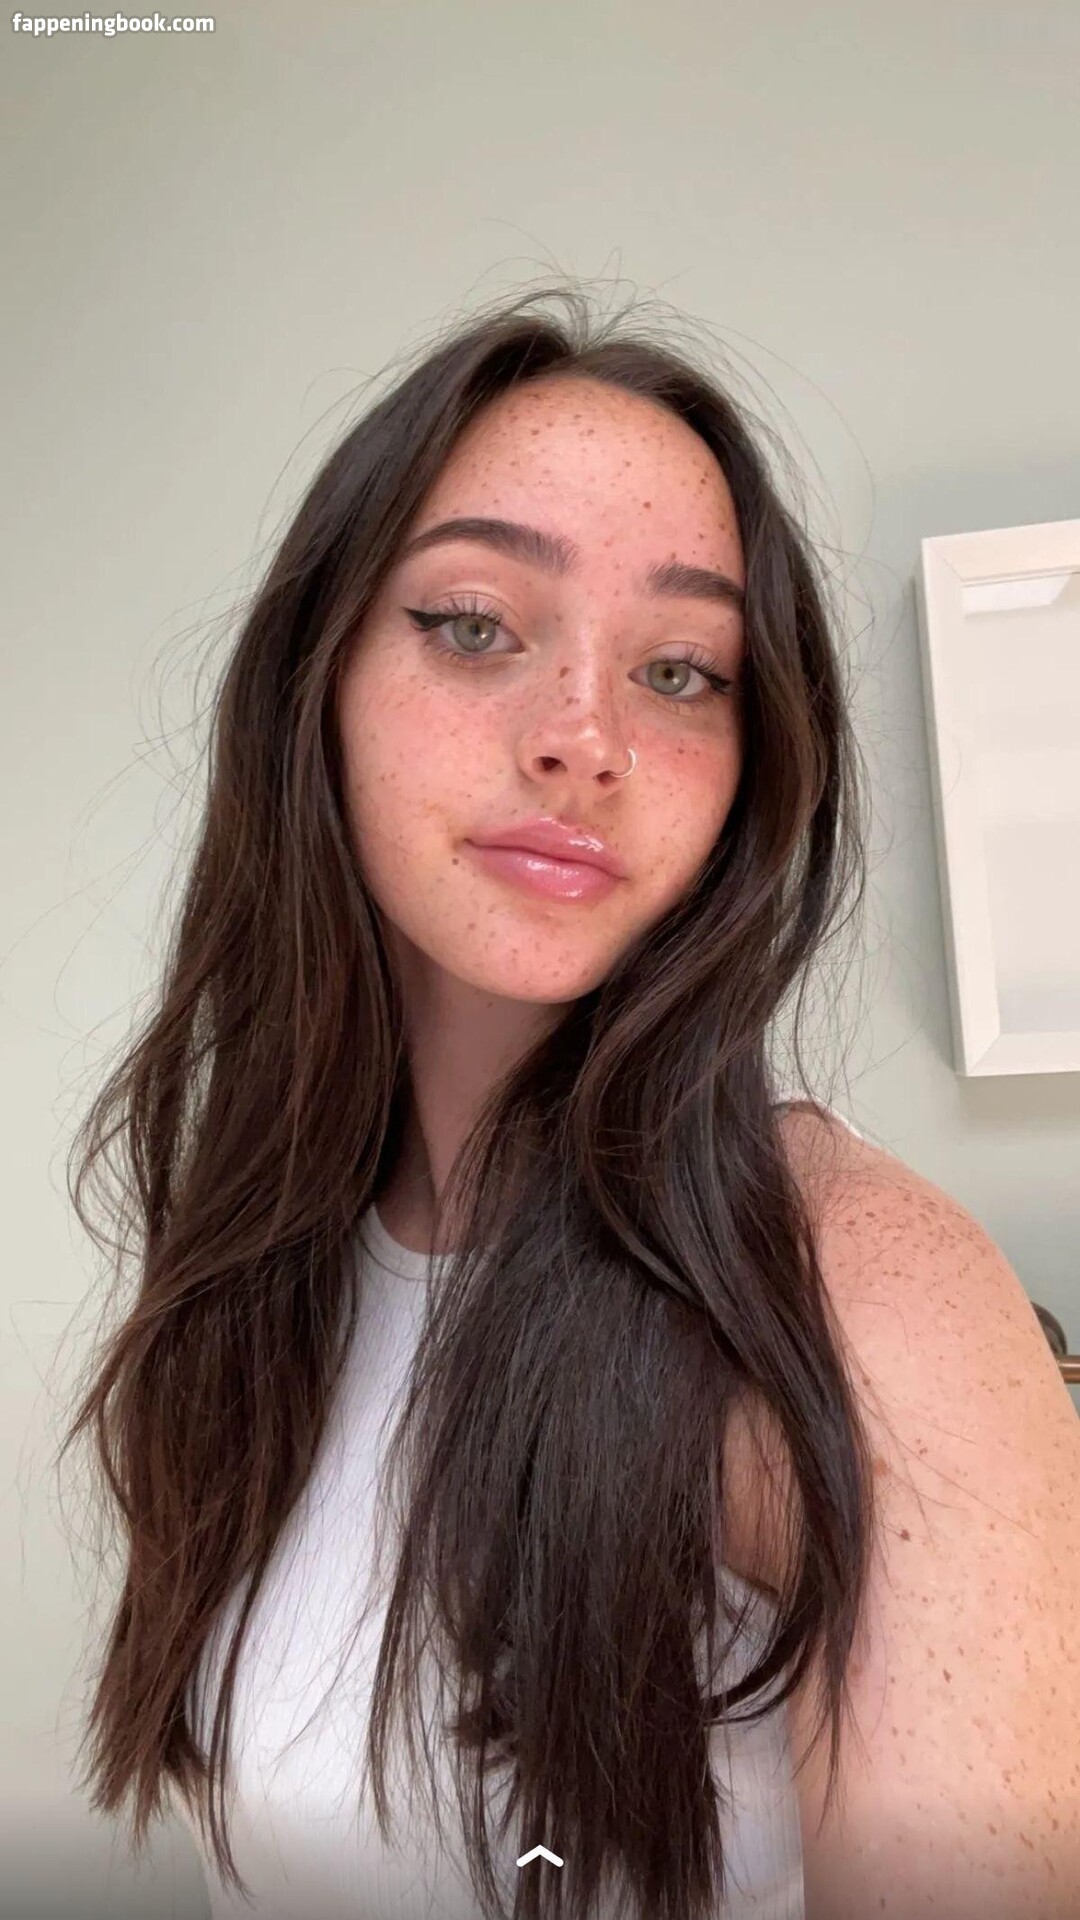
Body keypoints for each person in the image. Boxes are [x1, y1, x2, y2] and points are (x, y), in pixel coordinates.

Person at [61, 286, 1080, 1920]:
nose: (584, 738)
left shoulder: (854, 1296)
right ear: (318, 680)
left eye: (681, 670)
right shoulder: (253, 1273)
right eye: (475, 625)